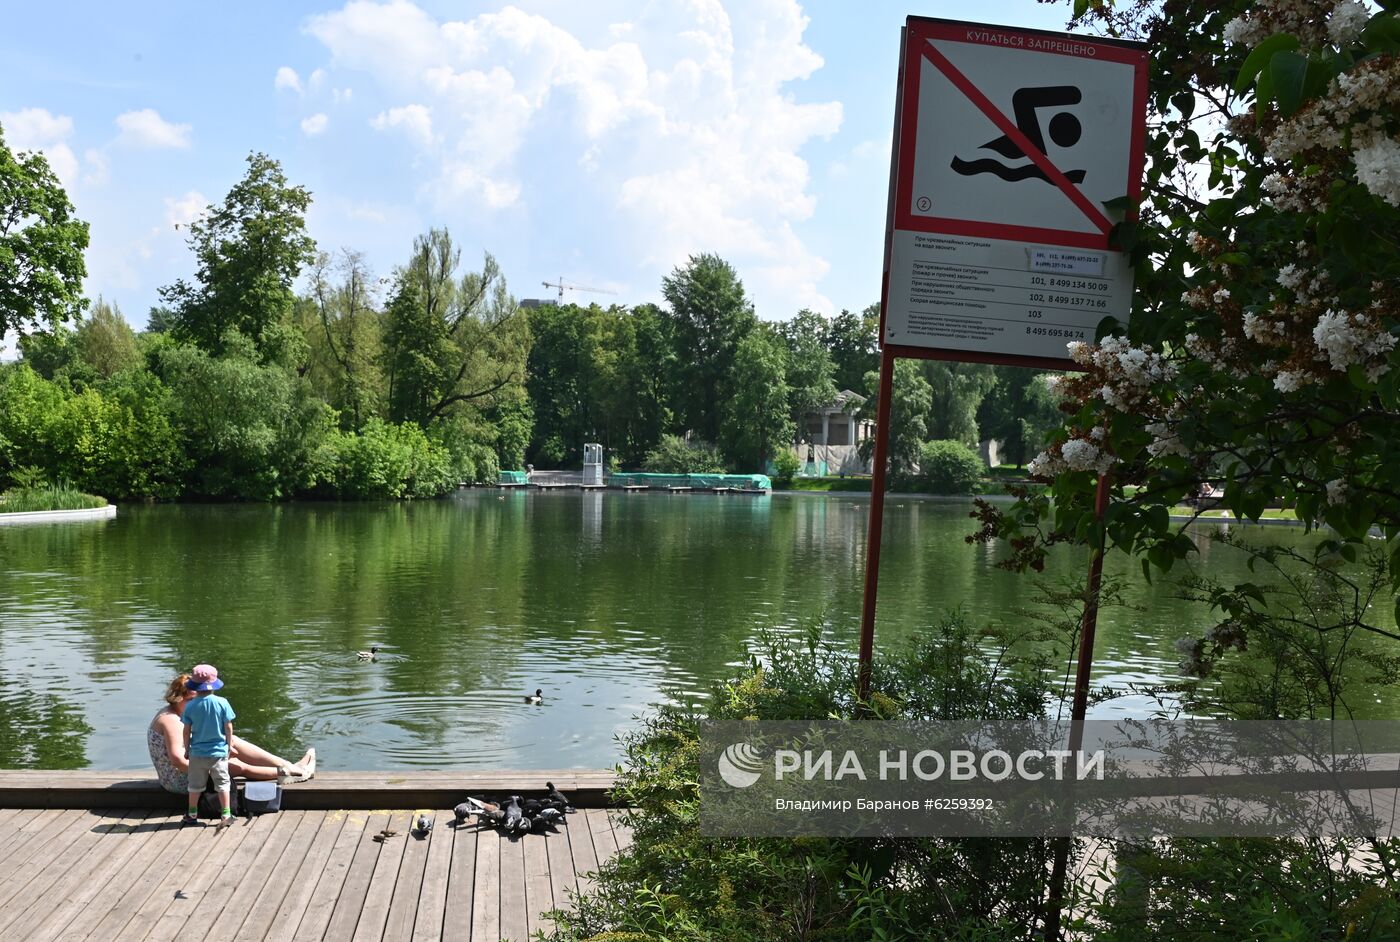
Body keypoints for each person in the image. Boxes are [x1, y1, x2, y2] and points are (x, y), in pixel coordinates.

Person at [147, 671, 314, 801]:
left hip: (186, 772)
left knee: (231, 741)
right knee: (236, 766)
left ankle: (287, 765)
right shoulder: (171, 721)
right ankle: (288, 772)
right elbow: (178, 760)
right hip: (180, 782)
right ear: (177, 698)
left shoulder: (181, 713)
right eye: (191, 700)